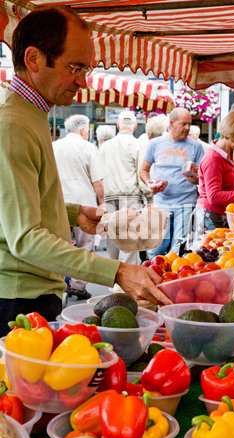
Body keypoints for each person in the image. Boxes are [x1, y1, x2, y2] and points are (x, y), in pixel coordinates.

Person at [0, 5, 171, 336]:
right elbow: (23, 238)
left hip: (31, 290)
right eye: (74, 67)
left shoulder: (30, 115)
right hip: (18, 297)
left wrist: (73, 213)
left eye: (86, 68)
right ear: (34, 60)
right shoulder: (13, 125)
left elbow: (14, 209)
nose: (83, 80)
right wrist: (116, 271)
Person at [53, 114, 107, 300]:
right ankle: (78, 286)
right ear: (83, 130)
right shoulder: (88, 147)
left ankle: (62, 284)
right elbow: (97, 181)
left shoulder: (53, 146)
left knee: (60, 245)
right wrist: (102, 203)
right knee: (85, 246)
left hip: (57, 203)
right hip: (84, 205)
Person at [140, 107, 204, 258]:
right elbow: (143, 170)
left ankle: (173, 279)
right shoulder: (155, 144)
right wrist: (149, 183)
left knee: (179, 249)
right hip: (161, 204)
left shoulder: (196, 146)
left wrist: (196, 180)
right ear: (171, 123)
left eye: (189, 124)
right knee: (156, 249)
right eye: (183, 124)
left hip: (186, 204)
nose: (187, 128)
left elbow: (204, 176)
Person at [98, 110, 146, 265]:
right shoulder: (138, 144)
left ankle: (114, 272)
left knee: (112, 235)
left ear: (118, 125)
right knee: (130, 237)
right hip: (131, 197)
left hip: (109, 196)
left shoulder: (105, 147)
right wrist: (149, 197)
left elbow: (98, 174)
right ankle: (126, 276)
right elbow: (141, 173)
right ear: (135, 126)